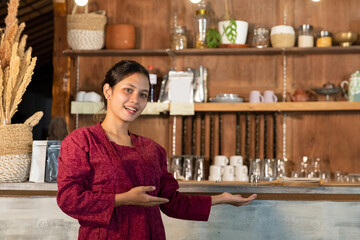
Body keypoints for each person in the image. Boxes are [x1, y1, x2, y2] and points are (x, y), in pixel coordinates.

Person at [57, 60, 257, 240]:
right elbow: (69, 199)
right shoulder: (81, 141)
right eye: (128, 90)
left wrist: (221, 199)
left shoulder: (152, 149)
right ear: (108, 91)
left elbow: (171, 202)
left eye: (143, 94)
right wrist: (123, 199)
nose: (135, 100)